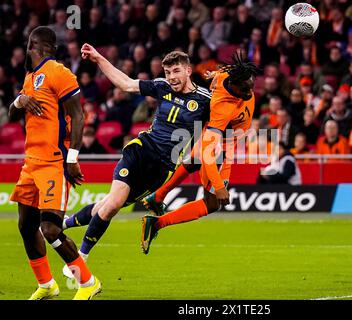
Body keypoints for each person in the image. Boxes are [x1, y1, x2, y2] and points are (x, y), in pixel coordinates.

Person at [63, 46, 210, 269]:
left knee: (106, 205)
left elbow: (221, 121)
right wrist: (99, 58)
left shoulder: (204, 100)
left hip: (162, 168)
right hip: (141, 150)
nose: (171, 77)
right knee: (113, 204)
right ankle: (79, 259)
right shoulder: (161, 86)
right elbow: (126, 83)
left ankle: (61, 224)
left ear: (188, 70)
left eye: (176, 71)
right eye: (168, 72)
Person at [8, 27, 100, 300]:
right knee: (26, 226)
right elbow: (13, 114)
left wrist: (72, 158)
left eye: (27, 44)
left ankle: (88, 282)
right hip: (30, 163)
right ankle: (47, 285)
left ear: (35, 44)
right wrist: (20, 99)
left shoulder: (59, 72)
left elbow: (79, 116)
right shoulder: (30, 77)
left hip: (54, 162)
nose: (25, 49)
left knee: (50, 228)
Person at [140, 53, 259, 254]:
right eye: (245, 89)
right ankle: (157, 223)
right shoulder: (222, 108)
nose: (250, 91)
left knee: (193, 161)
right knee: (212, 204)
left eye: (251, 85)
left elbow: (224, 71)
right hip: (220, 146)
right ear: (235, 86)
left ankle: (158, 196)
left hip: (222, 139)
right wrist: (220, 186)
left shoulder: (230, 76)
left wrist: (215, 74)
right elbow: (208, 154)